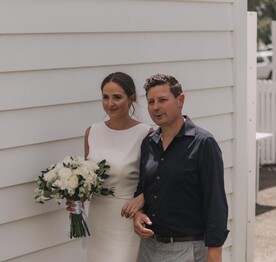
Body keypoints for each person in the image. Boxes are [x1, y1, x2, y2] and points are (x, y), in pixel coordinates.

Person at [133, 74, 229, 262]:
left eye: (162, 100)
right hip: (147, 248)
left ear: (180, 100)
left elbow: (215, 201)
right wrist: (137, 214)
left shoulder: (203, 144)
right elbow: (143, 190)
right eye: (151, 101)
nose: (156, 107)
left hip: (185, 250)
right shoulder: (148, 143)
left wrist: (215, 251)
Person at [66, 72, 151, 262]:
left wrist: (140, 202)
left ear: (131, 99)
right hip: (98, 219)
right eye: (105, 97)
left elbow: (153, 182)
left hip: (127, 219)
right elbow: (89, 182)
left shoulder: (145, 134)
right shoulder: (93, 132)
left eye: (117, 97)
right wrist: (76, 198)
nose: (110, 103)